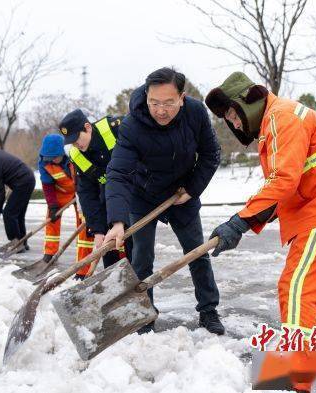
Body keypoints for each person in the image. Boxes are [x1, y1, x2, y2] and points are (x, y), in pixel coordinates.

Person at [205, 71, 316, 391]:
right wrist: (242, 223)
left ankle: (301, 379)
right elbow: (283, 186)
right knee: (311, 292)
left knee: (296, 288)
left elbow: (283, 181)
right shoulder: (273, 124)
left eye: (233, 115)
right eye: (228, 119)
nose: (234, 124)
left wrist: (240, 220)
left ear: (247, 103)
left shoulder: (281, 118)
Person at [103, 67, 224, 335]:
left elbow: (210, 154)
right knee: (141, 257)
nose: (161, 110)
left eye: (168, 103)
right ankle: (144, 316)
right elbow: (119, 173)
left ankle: (208, 310)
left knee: (196, 252)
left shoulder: (195, 113)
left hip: (182, 191)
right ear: (146, 96)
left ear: (182, 97)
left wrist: (192, 190)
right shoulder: (132, 124)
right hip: (143, 194)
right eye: (154, 102)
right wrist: (117, 220)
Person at [58, 109, 132, 278]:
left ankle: (137, 288)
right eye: (72, 142)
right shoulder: (77, 156)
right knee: (107, 246)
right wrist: (98, 230)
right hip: (108, 199)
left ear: (87, 127)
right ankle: (114, 287)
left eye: (77, 139)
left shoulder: (114, 128)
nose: (76, 145)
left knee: (135, 248)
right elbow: (87, 195)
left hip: (136, 193)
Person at [37, 134, 93, 279]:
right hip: (60, 192)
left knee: (84, 226)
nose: (53, 160)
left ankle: (82, 267)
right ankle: (49, 253)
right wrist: (53, 205)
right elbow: (47, 186)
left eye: (56, 157)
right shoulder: (44, 163)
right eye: (50, 157)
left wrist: (80, 199)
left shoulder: (74, 156)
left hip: (81, 191)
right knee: (51, 218)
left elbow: (84, 180)